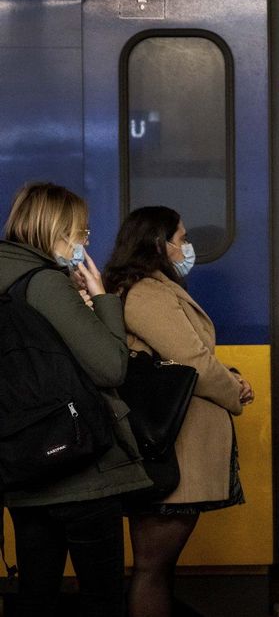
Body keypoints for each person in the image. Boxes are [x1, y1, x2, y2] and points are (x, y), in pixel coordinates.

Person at [0, 182, 151, 616]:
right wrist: (102, 299)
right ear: (56, 231)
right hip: (80, 469)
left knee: (35, 594)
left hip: (22, 469)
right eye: (81, 234)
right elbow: (110, 366)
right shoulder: (45, 283)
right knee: (101, 598)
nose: (84, 243)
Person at [103, 206, 252, 617]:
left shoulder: (152, 288)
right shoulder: (146, 293)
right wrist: (234, 394)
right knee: (153, 566)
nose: (186, 247)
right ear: (158, 243)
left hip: (178, 447)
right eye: (181, 239)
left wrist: (232, 376)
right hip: (172, 450)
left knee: (159, 566)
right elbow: (193, 362)